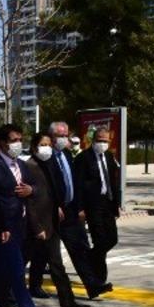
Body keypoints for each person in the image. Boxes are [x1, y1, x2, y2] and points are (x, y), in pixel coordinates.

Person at [0, 125, 49, 307]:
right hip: (4, 227)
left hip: (21, 224)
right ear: (2, 143)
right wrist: (0, 225)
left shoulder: (21, 165)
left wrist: (31, 190)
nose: (18, 144)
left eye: (20, 139)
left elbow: (36, 187)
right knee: (16, 269)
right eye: (14, 140)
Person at [27, 131, 87, 307]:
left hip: (51, 222)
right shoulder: (29, 166)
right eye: (42, 145)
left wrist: (58, 206)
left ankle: (68, 303)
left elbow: (54, 190)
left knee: (56, 264)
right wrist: (37, 227)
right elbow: (29, 201)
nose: (47, 148)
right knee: (16, 263)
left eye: (49, 145)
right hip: (36, 225)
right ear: (34, 147)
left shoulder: (50, 163)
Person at [44, 121, 102, 297]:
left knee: (80, 249)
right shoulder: (45, 157)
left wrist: (80, 207)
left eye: (65, 135)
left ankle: (93, 286)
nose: (64, 139)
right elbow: (44, 187)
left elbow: (74, 182)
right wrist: (54, 206)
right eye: (59, 136)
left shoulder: (67, 154)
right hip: (53, 213)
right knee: (42, 255)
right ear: (51, 137)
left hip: (70, 210)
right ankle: (9, 287)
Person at [74, 126, 121, 295]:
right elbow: (78, 185)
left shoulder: (108, 156)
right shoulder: (83, 158)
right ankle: (100, 279)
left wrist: (116, 204)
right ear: (93, 140)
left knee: (112, 239)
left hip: (107, 203)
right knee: (100, 241)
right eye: (99, 140)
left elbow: (113, 182)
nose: (102, 143)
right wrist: (80, 208)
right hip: (92, 205)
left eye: (105, 141)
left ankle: (89, 258)